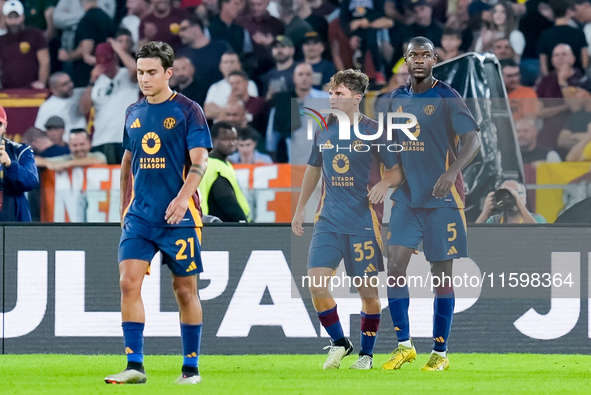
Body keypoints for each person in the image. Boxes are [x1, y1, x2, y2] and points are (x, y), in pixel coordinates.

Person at [104, 41, 212, 385]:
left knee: (184, 290)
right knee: (127, 282)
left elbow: (201, 161)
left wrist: (183, 199)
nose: (145, 79)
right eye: (140, 73)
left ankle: (190, 368)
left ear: (168, 73)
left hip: (179, 218)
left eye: (152, 72)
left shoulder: (188, 110)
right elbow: (126, 164)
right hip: (140, 217)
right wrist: (123, 207)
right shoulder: (133, 112)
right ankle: (134, 365)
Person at [382, 37, 481, 372]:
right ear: (406, 59)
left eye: (426, 55)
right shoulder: (395, 98)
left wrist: (452, 171)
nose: (420, 60)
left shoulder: (447, 97)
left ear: (435, 59)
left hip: (442, 199)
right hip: (408, 199)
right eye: (414, 55)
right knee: (394, 266)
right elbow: (393, 148)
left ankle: (440, 352)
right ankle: (404, 346)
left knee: (441, 276)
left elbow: (474, 140)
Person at [291, 69, 401, 370]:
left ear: (357, 97)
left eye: (338, 94)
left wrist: (383, 183)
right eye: (331, 93)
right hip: (327, 220)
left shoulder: (376, 131)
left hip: (364, 223)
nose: (332, 98)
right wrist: (300, 208)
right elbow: (313, 169)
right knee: (315, 285)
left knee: (367, 293)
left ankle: (366, 354)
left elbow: (398, 171)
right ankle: (340, 342)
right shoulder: (324, 129)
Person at [78, 41, 140, 164]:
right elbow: (83, 109)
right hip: (101, 140)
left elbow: (136, 70)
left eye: (108, 62)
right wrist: (91, 82)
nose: (106, 68)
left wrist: (119, 50)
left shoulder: (127, 76)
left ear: (115, 59)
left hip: (126, 139)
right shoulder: (97, 81)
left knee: (127, 181)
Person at [198, 121, 250, 222]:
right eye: (225, 139)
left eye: (234, 139)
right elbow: (226, 200)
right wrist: (243, 222)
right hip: (219, 224)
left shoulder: (223, 163)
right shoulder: (215, 165)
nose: (232, 143)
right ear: (212, 140)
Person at [58, 0, 115, 88]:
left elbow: (85, 51)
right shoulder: (107, 18)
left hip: (87, 78)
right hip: (107, 73)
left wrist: (68, 56)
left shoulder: (87, 20)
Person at [177, 14, 231, 105]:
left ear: (197, 28)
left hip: (219, 99)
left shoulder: (220, 48)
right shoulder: (181, 54)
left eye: (184, 29)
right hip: (191, 103)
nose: (180, 34)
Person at [0, 105, 40, 222]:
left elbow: (31, 181)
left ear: (5, 127)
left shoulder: (21, 150)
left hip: (12, 218)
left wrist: (10, 164)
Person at [0, 0, 49, 89]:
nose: (13, 21)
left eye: (16, 17)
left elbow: (45, 62)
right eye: (9, 17)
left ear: (22, 16)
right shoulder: (1, 40)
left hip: (33, 90)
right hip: (7, 91)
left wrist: (42, 82)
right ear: (4, 18)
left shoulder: (35, 34)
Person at [538, 0, 588, 76]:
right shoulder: (579, 33)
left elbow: (543, 64)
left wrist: (548, 79)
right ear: (568, 11)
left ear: (552, 11)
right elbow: (585, 61)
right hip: (576, 78)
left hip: (554, 78)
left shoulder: (545, 34)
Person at [203, 51, 259, 119]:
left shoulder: (249, 84)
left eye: (232, 62)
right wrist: (229, 110)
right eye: (226, 62)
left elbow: (250, 109)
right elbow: (207, 112)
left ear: (238, 65)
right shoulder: (214, 87)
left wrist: (218, 110)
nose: (229, 65)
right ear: (221, 66)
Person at [35, 72, 88, 141]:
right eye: (64, 84)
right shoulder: (47, 106)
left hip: (83, 142)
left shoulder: (80, 94)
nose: (70, 85)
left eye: (70, 82)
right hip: (64, 145)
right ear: (54, 89)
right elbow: (40, 130)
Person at [475, 180, 547, 223]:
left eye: (516, 192)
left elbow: (539, 236)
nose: (510, 197)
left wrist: (521, 206)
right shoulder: (494, 220)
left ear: (524, 198)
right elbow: (473, 237)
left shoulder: (537, 219)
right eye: (505, 193)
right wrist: (485, 213)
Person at [35, 128, 108, 171]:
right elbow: (34, 160)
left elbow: (99, 161)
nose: (79, 148)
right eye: (75, 145)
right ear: (69, 146)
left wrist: (69, 164)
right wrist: (48, 163)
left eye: (82, 144)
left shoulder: (97, 156)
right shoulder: (66, 159)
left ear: (89, 144)